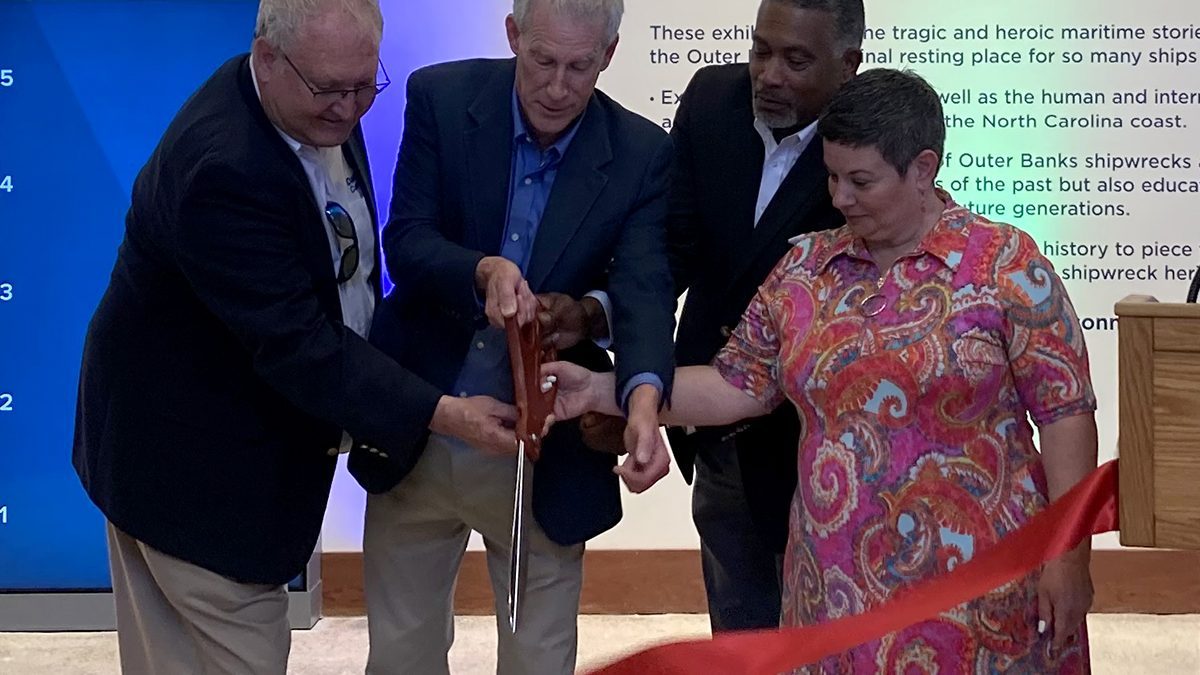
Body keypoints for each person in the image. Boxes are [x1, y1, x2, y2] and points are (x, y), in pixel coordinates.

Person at [547, 68, 1097, 672]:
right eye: (831, 177)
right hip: (835, 593)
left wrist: (1067, 556)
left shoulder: (1005, 266)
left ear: (922, 169)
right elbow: (737, 385)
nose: (839, 198)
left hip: (981, 594)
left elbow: (1065, 412)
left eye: (861, 181)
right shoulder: (807, 268)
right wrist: (607, 389)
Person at [72, 1, 518, 672]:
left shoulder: (310, 95)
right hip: (188, 470)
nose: (348, 109)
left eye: (365, 85)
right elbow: (301, 346)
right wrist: (444, 412)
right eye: (329, 90)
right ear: (266, 58)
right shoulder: (225, 168)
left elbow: (351, 269)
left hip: (200, 439)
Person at [353, 0, 677, 672]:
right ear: (512, 36)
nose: (558, 87)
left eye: (580, 67)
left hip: (547, 450)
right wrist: (482, 271)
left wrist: (642, 404)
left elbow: (645, 292)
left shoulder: (642, 153)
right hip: (425, 425)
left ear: (609, 57)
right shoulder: (441, 98)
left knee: (539, 658)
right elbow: (407, 242)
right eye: (542, 61)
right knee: (400, 654)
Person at [665, 0, 862, 632]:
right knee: (741, 629)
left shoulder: (869, 141)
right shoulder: (711, 100)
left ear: (847, 66)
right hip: (717, 428)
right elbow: (674, 245)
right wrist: (608, 321)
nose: (769, 74)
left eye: (796, 60)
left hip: (819, 437)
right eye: (760, 51)